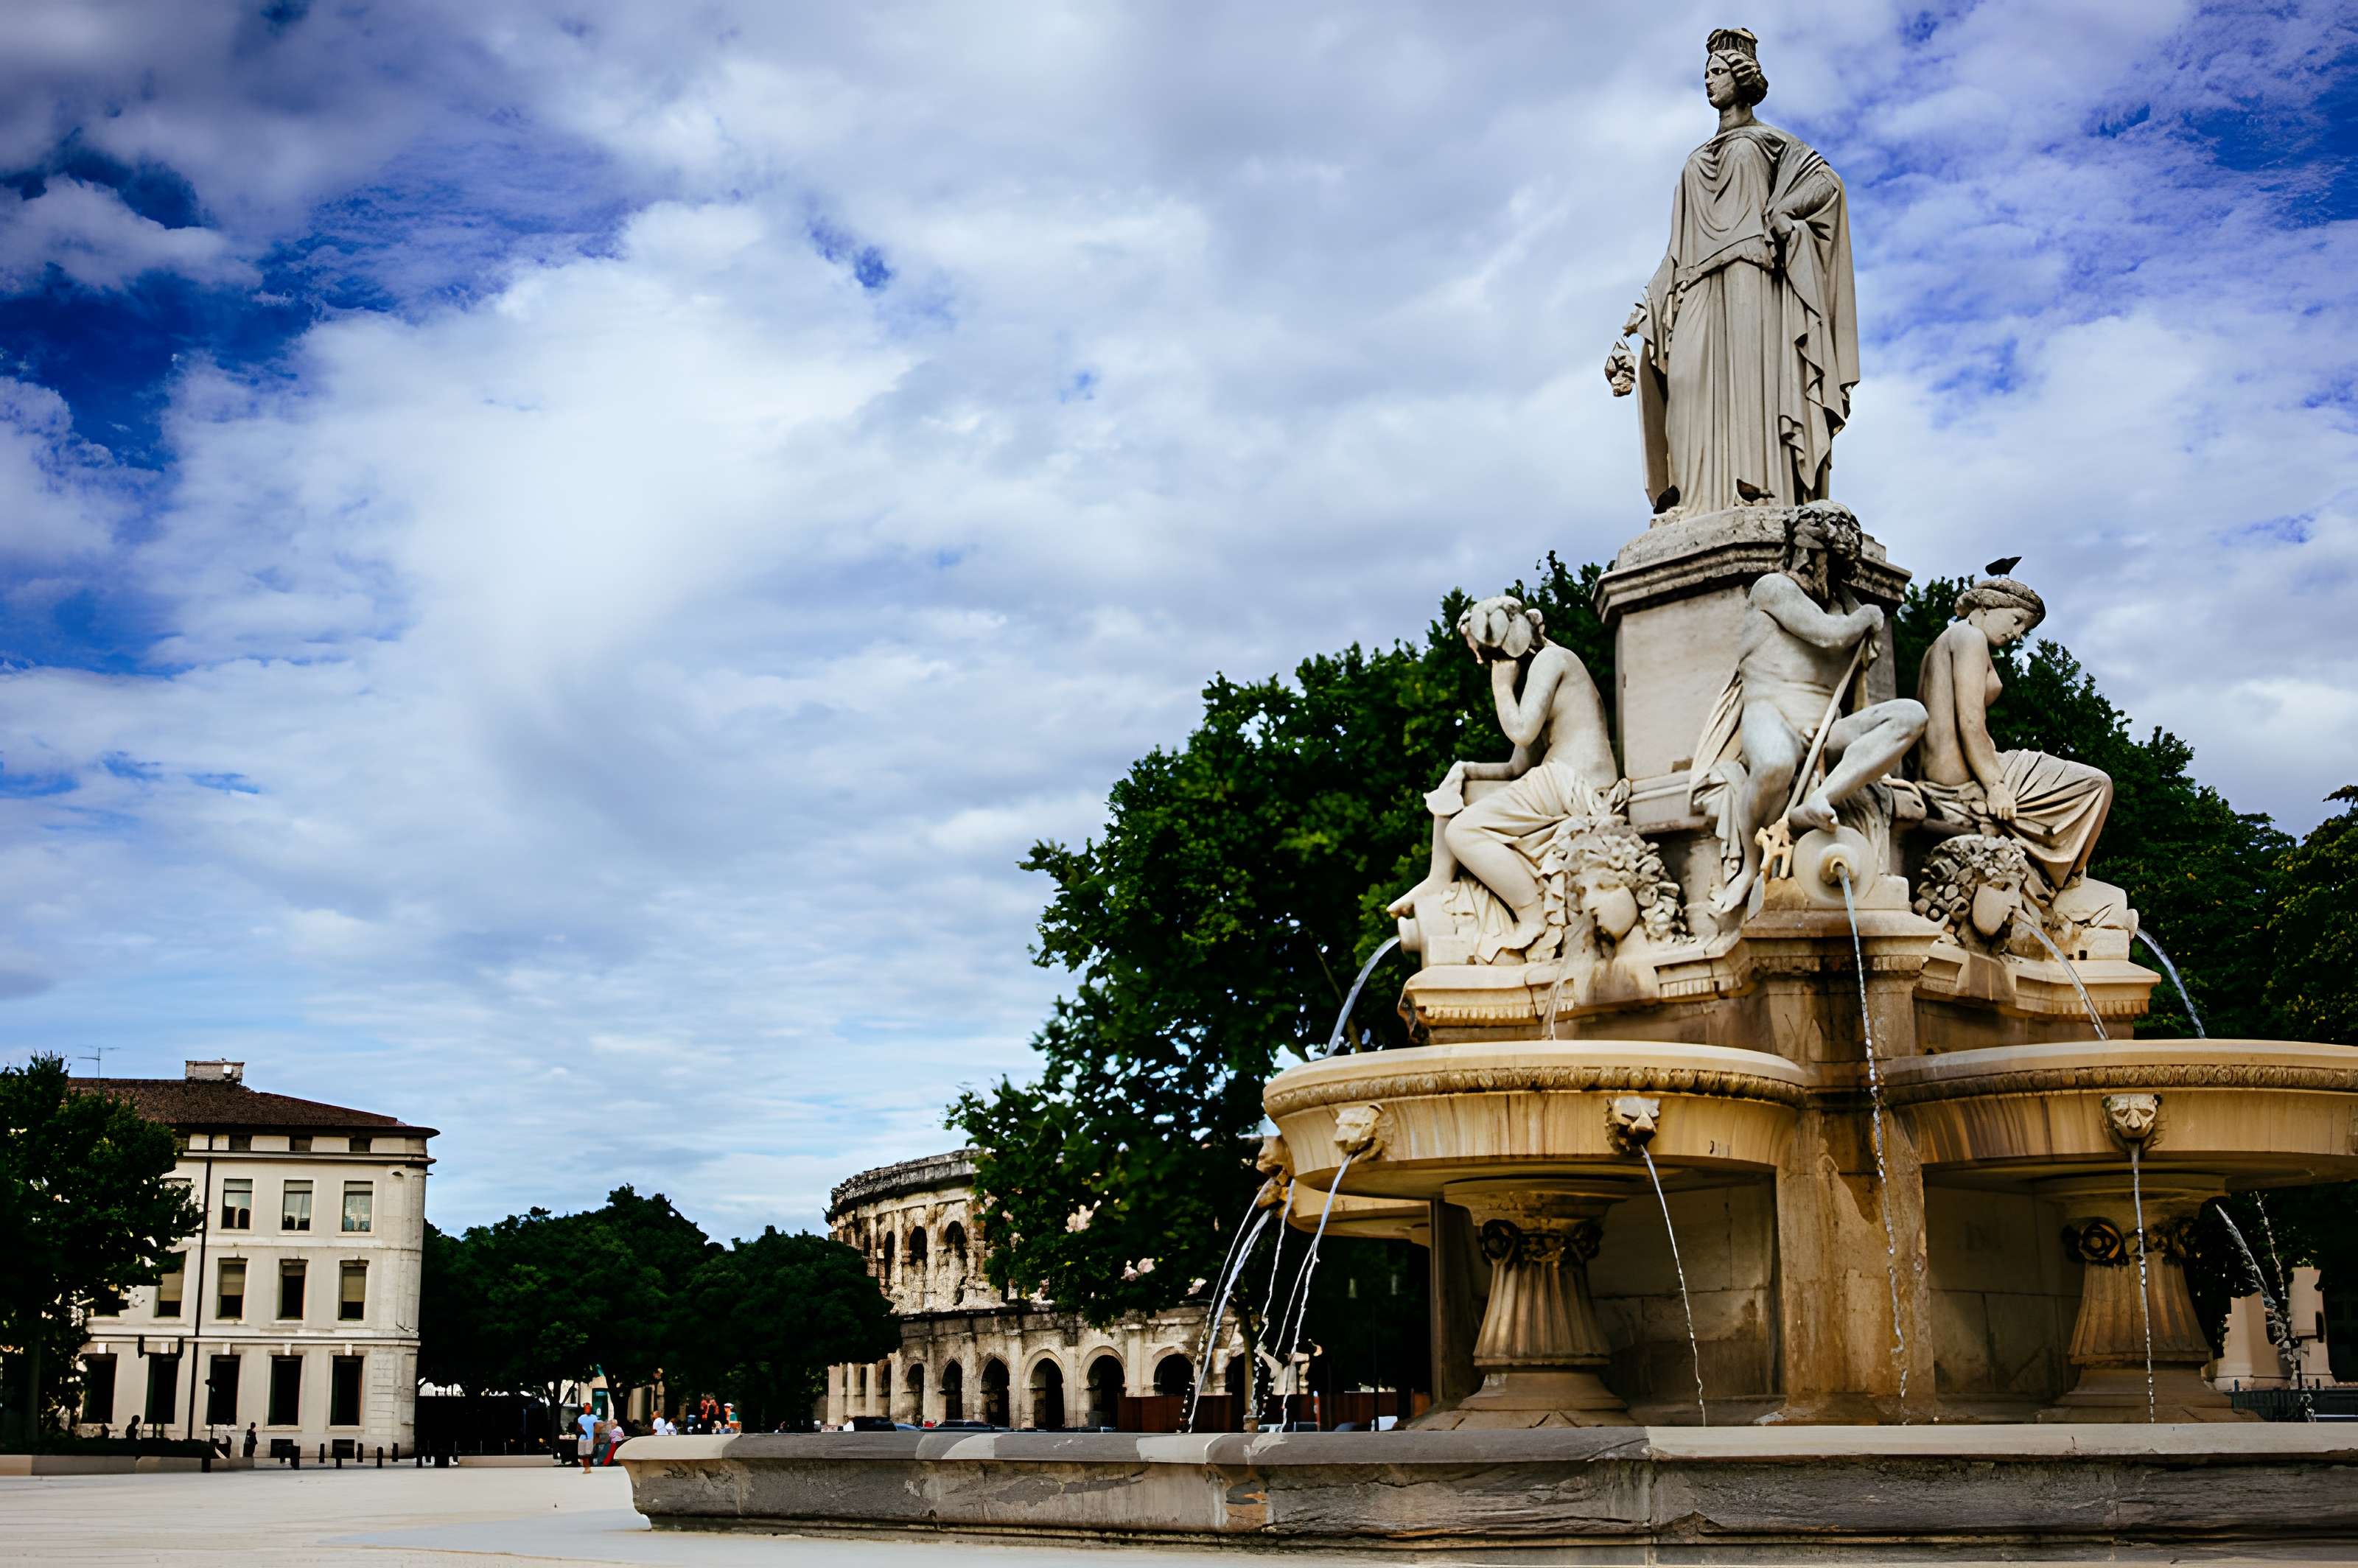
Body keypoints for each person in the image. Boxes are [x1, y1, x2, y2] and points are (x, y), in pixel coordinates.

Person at [1608, 29, 1858, 517]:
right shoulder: (1694, 159)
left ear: (1741, 79)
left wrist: (1785, 212)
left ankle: (1764, 493)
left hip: (1751, 280)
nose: (1709, 83)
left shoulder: (1771, 144)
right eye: (1705, 74)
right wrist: (1640, 311)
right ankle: (1697, 502)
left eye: (1718, 73)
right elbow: (1675, 252)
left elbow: (1827, 186)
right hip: (1696, 288)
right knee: (1686, 393)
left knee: (1752, 391)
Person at [1688, 503, 1925, 913]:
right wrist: (1868, 616)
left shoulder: (1846, 605)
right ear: (1807, 551)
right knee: (1775, 765)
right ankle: (1748, 863)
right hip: (1771, 713)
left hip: (1825, 726)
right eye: (1825, 559)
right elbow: (1828, 637)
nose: (1828, 570)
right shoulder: (1773, 589)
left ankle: (1820, 799)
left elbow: (1853, 667)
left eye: (1837, 563)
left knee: (1910, 716)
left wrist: (1862, 623)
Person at [1386, 594, 1621, 959]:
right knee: (1463, 789)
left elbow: (1522, 732)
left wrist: (1501, 687)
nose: (1481, 661)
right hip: (1555, 779)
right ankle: (1438, 879)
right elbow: (1517, 768)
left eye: (1483, 652)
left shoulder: (1551, 659)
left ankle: (1532, 917)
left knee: (1463, 831)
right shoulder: (1541, 670)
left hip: (1576, 783)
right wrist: (1465, 770)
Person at [1914, 571, 2113, 892]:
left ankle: (2058, 879)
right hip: (1962, 774)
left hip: (1951, 765)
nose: (2018, 634)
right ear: (1990, 606)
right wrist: (1995, 786)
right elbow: (1969, 720)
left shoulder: (1948, 639)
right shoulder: (1970, 639)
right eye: (2018, 620)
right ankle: (2067, 887)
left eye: (2025, 628)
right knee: (2096, 785)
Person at [574, 1404, 597, 1473]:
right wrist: (581, 1431)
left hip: (590, 1438)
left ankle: (587, 1467)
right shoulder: (581, 1418)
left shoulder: (594, 1417)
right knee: (582, 1454)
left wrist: (597, 1437)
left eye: (589, 1408)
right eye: (586, 1408)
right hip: (582, 1438)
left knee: (587, 1454)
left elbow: (597, 1427)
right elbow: (578, 1427)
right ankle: (586, 1467)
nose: (587, 1410)